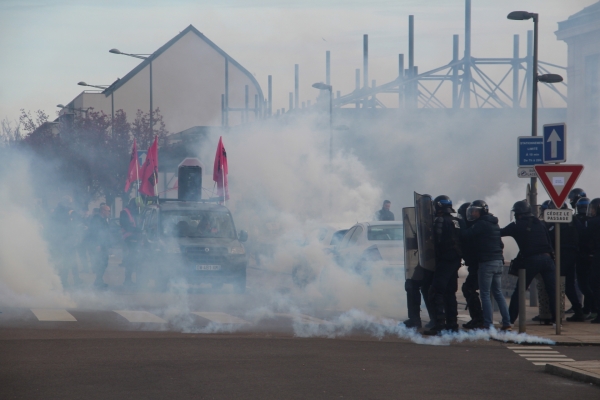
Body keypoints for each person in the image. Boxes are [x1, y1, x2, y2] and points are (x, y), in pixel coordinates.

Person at [501, 201, 557, 324]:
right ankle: (556, 320)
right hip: (548, 260)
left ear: (518, 213)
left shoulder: (516, 225)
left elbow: (499, 233)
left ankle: (510, 319)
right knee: (553, 291)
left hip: (532, 259)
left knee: (520, 290)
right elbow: (549, 242)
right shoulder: (541, 223)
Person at [460, 201, 511, 330]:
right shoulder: (493, 223)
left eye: (474, 211)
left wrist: (460, 225)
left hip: (487, 263)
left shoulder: (480, 224)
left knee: (485, 294)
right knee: (498, 293)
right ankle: (507, 323)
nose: (472, 213)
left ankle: (487, 324)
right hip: (498, 262)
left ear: (481, 211)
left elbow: (464, 235)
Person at [423, 195, 462, 335]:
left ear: (438, 206)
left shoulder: (439, 220)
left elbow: (435, 240)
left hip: (445, 260)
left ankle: (439, 325)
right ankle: (452, 325)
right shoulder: (457, 220)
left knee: (436, 292)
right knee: (450, 293)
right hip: (456, 260)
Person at [545, 202, 586, 322]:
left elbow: (550, 237)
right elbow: (582, 233)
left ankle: (555, 315)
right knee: (568, 286)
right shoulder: (572, 219)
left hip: (562, 254)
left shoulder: (557, 222)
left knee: (555, 283)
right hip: (572, 254)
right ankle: (578, 312)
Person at [457, 202, 484, 329]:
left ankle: (479, 319)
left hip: (479, 263)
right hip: (477, 263)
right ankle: (478, 318)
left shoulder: (474, 227)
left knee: (469, 288)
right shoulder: (476, 225)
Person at [574, 197, 597, 319]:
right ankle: (589, 309)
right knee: (590, 284)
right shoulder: (590, 220)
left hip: (583, 256)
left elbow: (581, 237)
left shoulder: (583, 221)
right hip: (592, 256)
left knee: (585, 285)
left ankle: (593, 309)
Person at [582, 198, 600, 323]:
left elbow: (585, 239)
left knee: (595, 284)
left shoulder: (592, 222)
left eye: (593, 208)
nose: (591, 211)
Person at [87, 204, 112, 289]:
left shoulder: (104, 220)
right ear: (103, 211)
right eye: (108, 211)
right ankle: (98, 282)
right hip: (99, 245)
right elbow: (94, 232)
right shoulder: (96, 220)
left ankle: (99, 280)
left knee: (104, 263)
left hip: (104, 245)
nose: (109, 212)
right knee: (100, 263)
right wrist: (97, 244)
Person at [120, 198, 141, 287]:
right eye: (136, 206)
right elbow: (125, 225)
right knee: (131, 259)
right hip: (128, 238)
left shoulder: (133, 212)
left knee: (135, 259)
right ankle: (127, 280)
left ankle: (133, 280)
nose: (137, 208)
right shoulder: (125, 212)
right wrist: (137, 230)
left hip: (135, 237)